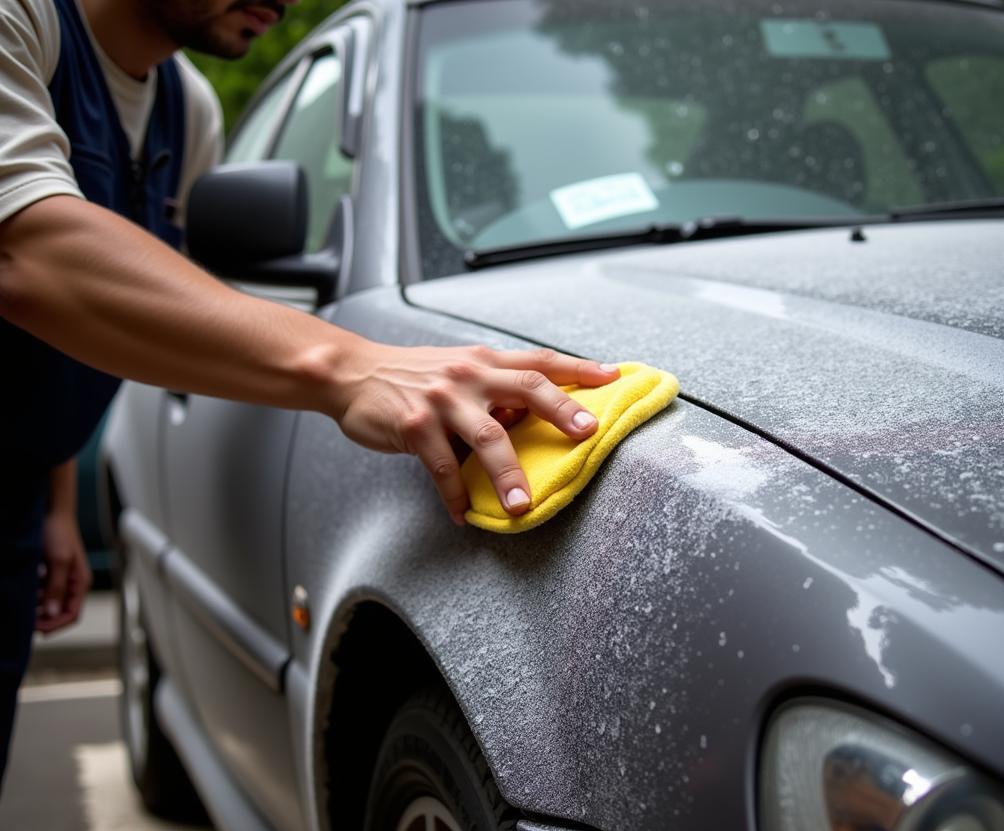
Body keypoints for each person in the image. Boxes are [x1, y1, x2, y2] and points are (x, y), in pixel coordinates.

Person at [0, 0, 620, 786]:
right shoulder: (21, 19)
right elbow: (26, 251)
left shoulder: (186, 109)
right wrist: (353, 367)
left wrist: (56, 500)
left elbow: (105, 319)